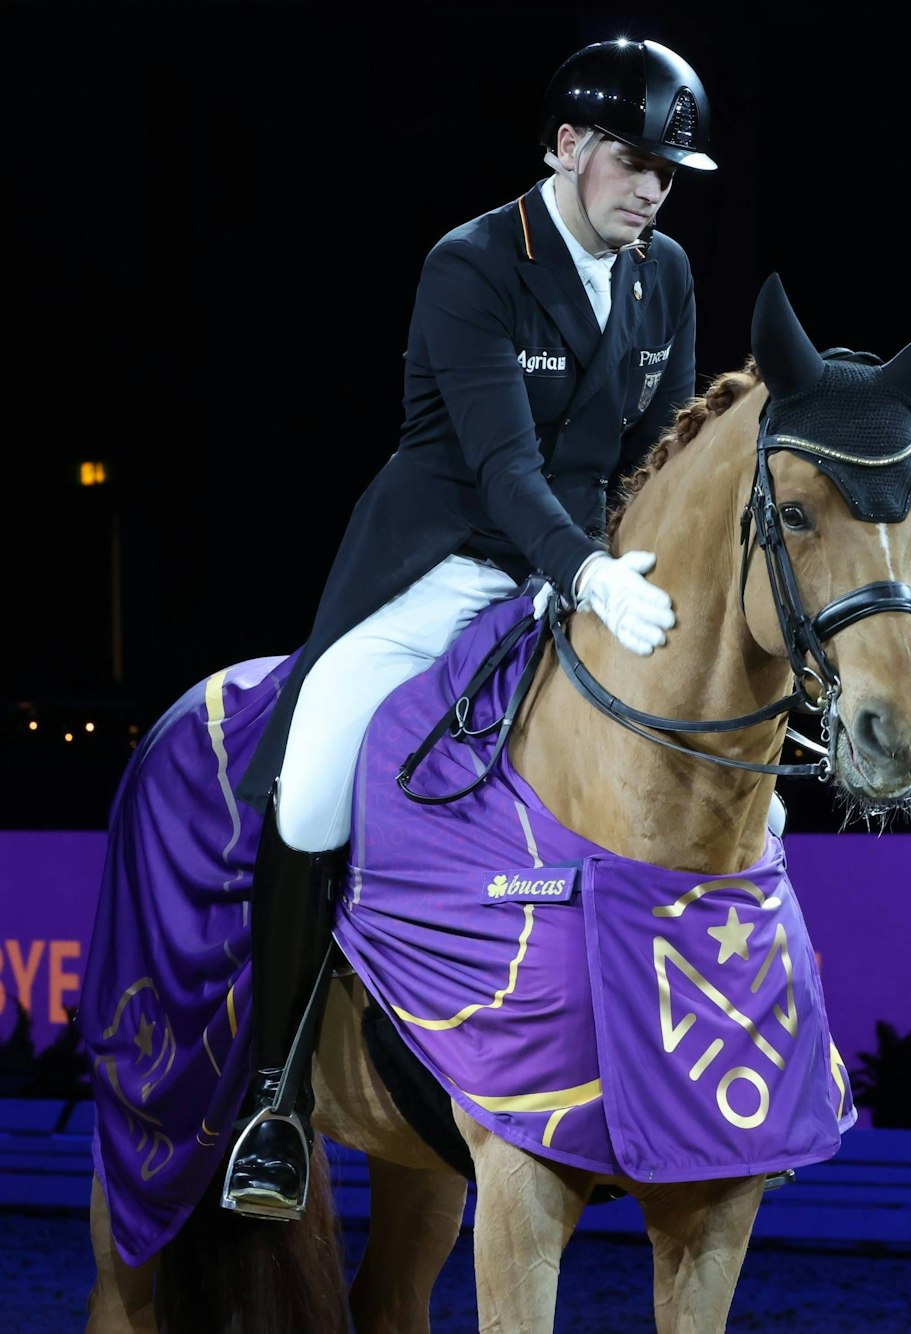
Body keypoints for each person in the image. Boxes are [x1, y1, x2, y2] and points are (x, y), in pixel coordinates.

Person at [222, 36, 720, 1221]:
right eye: (633, 161)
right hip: (443, 566)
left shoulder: (667, 275)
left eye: (668, 169)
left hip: (587, 569)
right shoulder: (474, 262)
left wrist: (636, 574)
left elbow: (669, 451)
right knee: (315, 782)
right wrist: (584, 572)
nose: (651, 188)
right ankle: (274, 1100)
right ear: (567, 148)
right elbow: (500, 464)